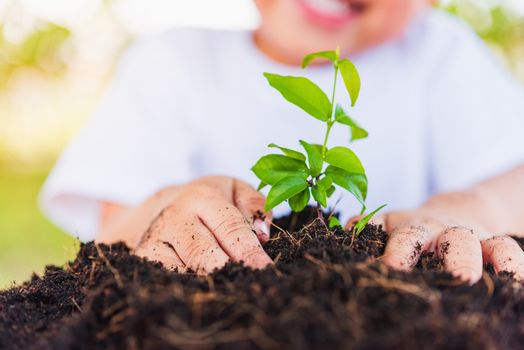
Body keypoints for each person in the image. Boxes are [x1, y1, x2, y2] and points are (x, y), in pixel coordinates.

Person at [40, 0, 524, 284]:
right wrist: (164, 211)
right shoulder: (174, 61)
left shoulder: (441, 54)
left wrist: (470, 208)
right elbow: (112, 234)